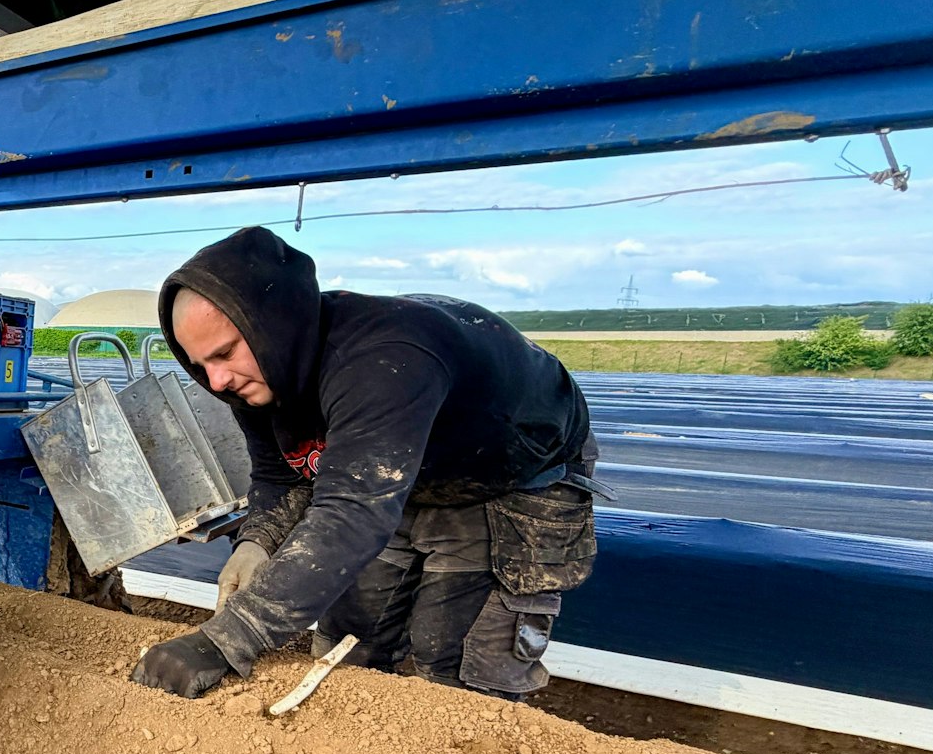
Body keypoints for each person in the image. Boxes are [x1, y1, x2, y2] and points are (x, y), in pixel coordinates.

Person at [130, 227, 606, 700]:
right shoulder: (253, 377)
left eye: (224, 353)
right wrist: (257, 542)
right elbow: (281, 473)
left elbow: (353, 512)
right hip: (398, 470)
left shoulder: (384, 359)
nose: (216, 381)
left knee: (450, 666)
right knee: (352, 641)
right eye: (199, 365)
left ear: (272, 323)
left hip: (508, 471)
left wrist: (226, 639)